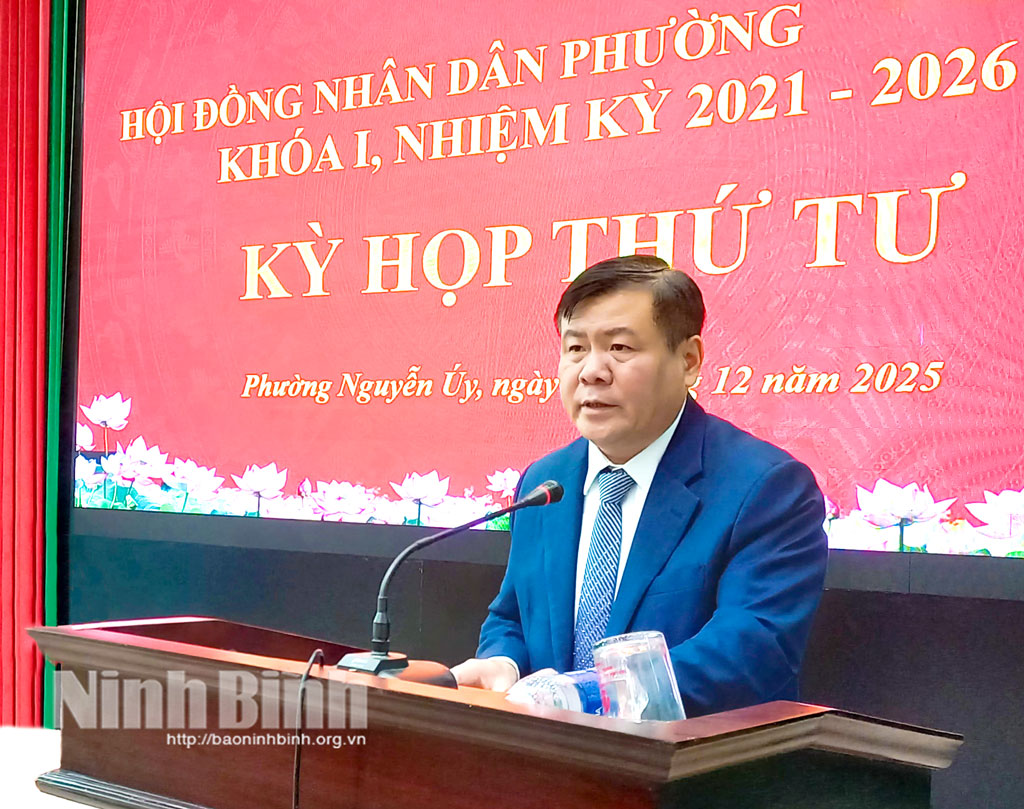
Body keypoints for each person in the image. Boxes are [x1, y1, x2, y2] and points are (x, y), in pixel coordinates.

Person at [452, 254, 828, 718]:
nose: (591, 371)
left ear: (689, 361)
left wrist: (589, 694)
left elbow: (752, 650)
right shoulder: (547, 482)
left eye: (620, 348)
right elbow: (513, 615)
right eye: (575, 348)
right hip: (546, 754)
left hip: (688, 757)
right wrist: (503, 662)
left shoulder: (765, 487)